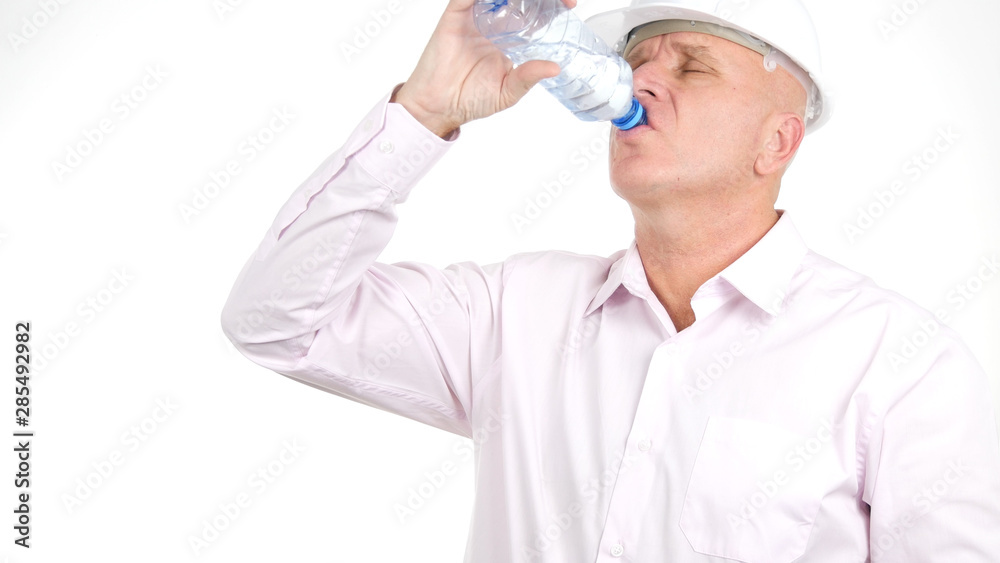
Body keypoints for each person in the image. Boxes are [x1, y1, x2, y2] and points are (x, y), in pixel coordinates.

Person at [221, 0, 1000, 560]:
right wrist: (424, 111)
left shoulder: (899, 365)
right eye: (635, 63)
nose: (644, 82)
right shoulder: (514, 315)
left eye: (691, 65)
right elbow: (277, 320)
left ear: (778, 141)